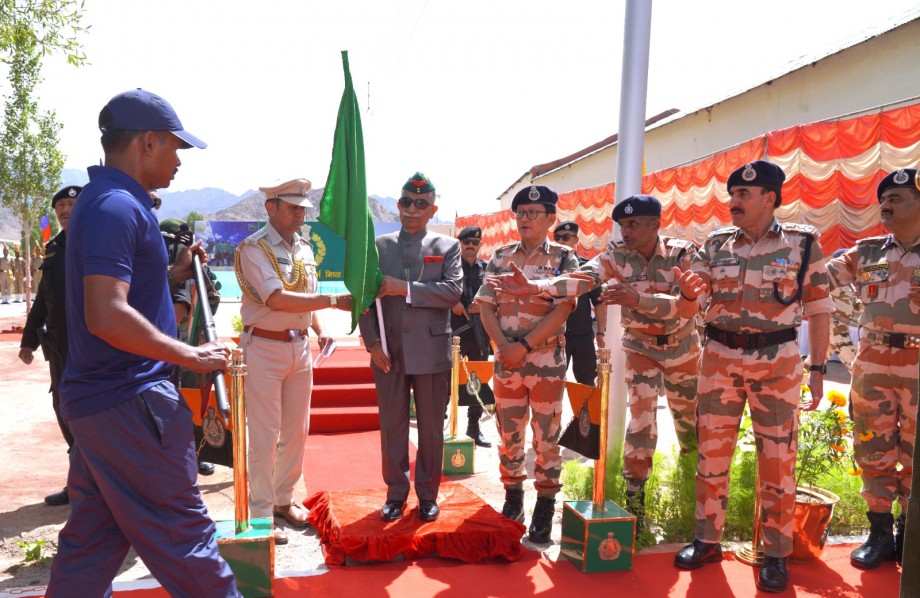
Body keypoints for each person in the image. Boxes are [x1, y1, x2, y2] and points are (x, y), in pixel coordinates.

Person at [46, 89, 239, 597]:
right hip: (131, 400)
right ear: (148, 142)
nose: (178, 162)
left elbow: (122, 292)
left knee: (91, 545)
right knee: (186, 540)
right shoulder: (117, 207)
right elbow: (107, 313)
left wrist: (170, 271)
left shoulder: (106, 202)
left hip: (100, 401)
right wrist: (190, 353)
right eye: (176, 149)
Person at [485, 195, 701, 533]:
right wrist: (535, 286)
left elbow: (690, 307)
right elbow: (580, 280)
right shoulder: (615, 256)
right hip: (642, 348)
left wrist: (639, 300)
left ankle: (693, 499)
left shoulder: (683, 254)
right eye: (622, 225)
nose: (625, 231)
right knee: (641, 423)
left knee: (691, 428)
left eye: (633, 224)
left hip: (683, 350)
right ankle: (635, 503)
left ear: (655, 224)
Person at [672, 160, 833, 593]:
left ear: (770, 198)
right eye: (732, 195)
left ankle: (776, 553)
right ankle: (707, 540)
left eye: (744, 195)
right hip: (720, 357)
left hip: (776, 361)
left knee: (778, 461)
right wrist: (687, 293)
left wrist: (817, 369)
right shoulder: (717, 244)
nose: (734, 202)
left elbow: (819, 310)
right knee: (711, 454)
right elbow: (690, 305)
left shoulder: (802, 244)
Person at [235, 178, 351, 545]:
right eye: (293, 206)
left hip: (299, 349)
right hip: (265, 348)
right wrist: (332, 303)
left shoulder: (302, 247)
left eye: (303, 207)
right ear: (272, 208)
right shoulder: (253, 249)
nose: (302, 213)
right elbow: (277, 299)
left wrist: (319, 327)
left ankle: (283, 500)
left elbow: (305, 292)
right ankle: (259, 513)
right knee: (266, 434)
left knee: (296, 430)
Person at [825, 167, 920, 570]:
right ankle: (879, 532)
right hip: (874, 364)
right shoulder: (865, 253)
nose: (885, 205)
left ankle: (909, 533)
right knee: (872, 448)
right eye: (883, 198)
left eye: (896, 198)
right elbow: (816, 281)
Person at [474, 184, 578, 543]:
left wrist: (525, 344)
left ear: (551, 218)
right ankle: (514, 497)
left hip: (546, 359)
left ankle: (546, 503)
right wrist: (504, 346)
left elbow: (564, 307)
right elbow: (485, 305)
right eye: (520, 213)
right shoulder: (501, 257)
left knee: (547, 436)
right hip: (507, 361)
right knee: (508, 433)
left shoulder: (565, 258)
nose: (524, 219)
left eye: (534, 213)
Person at [358, 172, 462, 523]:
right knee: (393, 425)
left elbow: (452, 293)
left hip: (431, 353)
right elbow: (364, 299)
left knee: (431, 428)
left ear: (433, 209)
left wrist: (403, 288)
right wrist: (372, 342)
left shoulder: (448, 247)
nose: (412, 210)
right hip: (389, 351)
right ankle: (395, 494)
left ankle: (428, 496)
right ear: (398, 205)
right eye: (405, 202)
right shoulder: (379, 246)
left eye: (420, 204)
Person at [19, 185, 80, 507]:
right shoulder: (54, 246)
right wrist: (28, 341)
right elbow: (44, 297)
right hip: (59, 347)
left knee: (91, 414)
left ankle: (98, 487)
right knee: (64, 410)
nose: (65, 210)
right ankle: (80, 483)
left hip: (92, 347)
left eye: (72, 203)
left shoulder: (97, 241)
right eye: (60, 205)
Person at [159, 216, 218, 478]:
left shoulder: (198, 266)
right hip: (168, 345)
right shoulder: (160, 269)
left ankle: (198, 453)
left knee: (195, 399)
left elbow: (213, 295)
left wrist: (198, 324)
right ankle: (172, 455)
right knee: (169, 401)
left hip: (193, 345)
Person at [450, 225, 494, 448]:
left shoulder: (486, 269)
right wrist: (453, 302)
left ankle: (473, 428)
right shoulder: (449, 268)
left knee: (477, 382)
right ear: (460, 244)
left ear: (480, 245)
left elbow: (498, 297)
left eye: (475, 242)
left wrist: (484, 306)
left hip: (479, 335)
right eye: (466, 242)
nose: (470, 246)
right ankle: (442, 429)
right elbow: (436, 290)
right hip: (454, 335)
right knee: (446, 382)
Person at [551, 221, 604, 385]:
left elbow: (599, 302)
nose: (561, 241)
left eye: (566, 237)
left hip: (583, 334)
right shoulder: (547, 266)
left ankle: (585, 412)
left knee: (587, 380)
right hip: (556, 334)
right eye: (557, 237)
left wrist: (601, 333)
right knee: (553, 381)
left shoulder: (587, 267)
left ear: (576, 240)